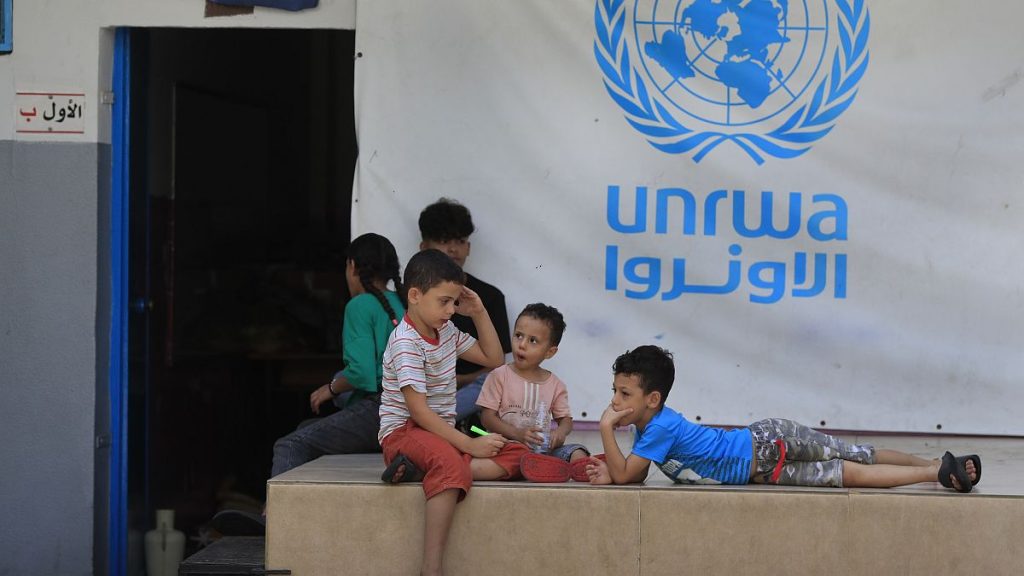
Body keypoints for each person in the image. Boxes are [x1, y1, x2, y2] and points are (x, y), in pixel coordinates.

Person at [584, 345, 982, 493]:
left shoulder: (661, 426)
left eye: (624, 394)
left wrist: (604, 429)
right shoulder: (648, 427)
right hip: (765, 470)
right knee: (851, 473)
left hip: (768, 442)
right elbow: (632, 475)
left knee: (859, 456)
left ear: (653, 399)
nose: (615, 401)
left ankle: (936, 466)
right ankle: (939, 471)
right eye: (615, 391)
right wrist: (611, 468)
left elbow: (623, 476)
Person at [378, 249, 529, 576]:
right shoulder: (405, 342)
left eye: (455, 303)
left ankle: (424, 467)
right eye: (444, 301)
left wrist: (479, 312)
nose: (450, 311)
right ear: (415, 296)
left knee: (516, 453)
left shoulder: (444, 331)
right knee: (450, 464)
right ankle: (430, 569)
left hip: (440, 433)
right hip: (405, 432)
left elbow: (493, 359)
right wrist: (468, 445)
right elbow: (418, 413)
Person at [270, 233, 405, 478]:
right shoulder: (403, 302)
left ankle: (277, 516)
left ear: (352, 266)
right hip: (407, 409)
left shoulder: (360, 305)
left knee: (290, 445)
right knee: (305, 430)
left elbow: (361, 373)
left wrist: (331, 388)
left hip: (380, 409)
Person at [418, 198, 512, 424]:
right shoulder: (411, 295)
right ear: (424, 247)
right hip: (422, 390)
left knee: (496, 381)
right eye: (443, 240)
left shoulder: (488, 297)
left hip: (472, 393)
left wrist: (459, 380)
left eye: (460, 241)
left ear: (468, 247)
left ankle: (434, 423)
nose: (452, 249)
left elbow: (497, 365)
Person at [476, 303, 591, 483]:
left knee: (577, 451)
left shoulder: (555, 384)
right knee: (513, 456)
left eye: (533, 341)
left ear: (550, 352)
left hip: (541, 451)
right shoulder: (499, 376)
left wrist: (560, 433)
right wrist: (517, 434)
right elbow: (487, 418)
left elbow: (565, 420)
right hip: (506, 447)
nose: (521, 345)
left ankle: (576, 469)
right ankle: (542, 469)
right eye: (518, 336)